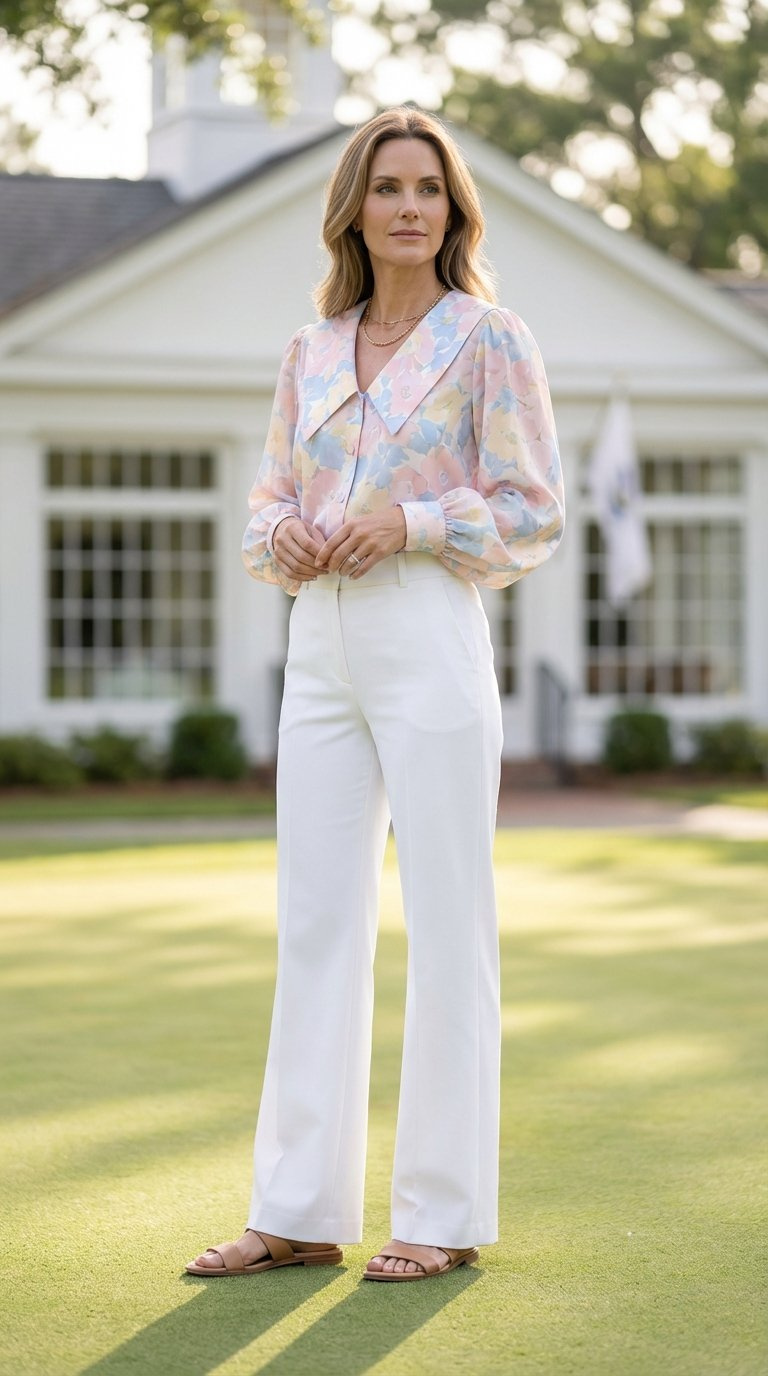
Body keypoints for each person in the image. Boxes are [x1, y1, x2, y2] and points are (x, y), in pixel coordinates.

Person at [186, 105, 564, 1284]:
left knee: (449, 921)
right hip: (320, 646)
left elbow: (532, 509)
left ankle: (439, 1215)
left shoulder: (490, 339)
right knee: (315, 923)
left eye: (430, 189)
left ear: (454, 212)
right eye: (389, 186)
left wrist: (412, 518)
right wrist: (282, 537)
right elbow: (261, 502)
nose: (410, 206)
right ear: (353, 205)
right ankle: (295, 1208)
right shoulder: (309, 350)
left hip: (427, 630)